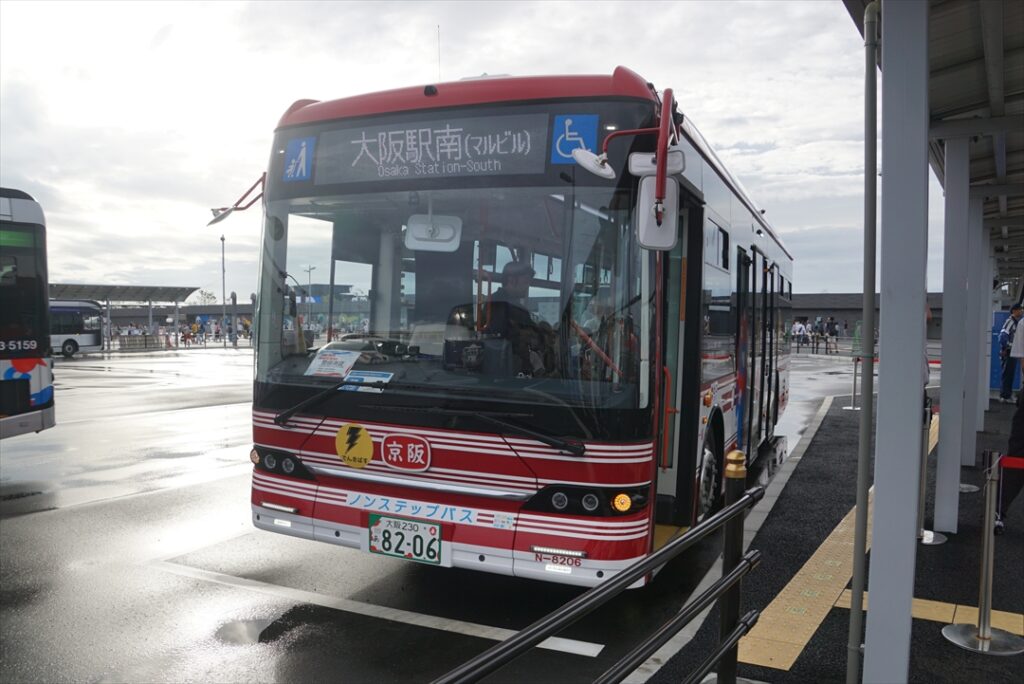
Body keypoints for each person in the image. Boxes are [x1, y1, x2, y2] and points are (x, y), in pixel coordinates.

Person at [997, 312, 1024, 534]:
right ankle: (999, 509)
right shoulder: (1017, 324)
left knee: (1017, 453)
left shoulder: (1022, 324)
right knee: (1017, 454)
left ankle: (998, 511)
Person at [998, 304, 1022, 403]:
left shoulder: (1016, 323)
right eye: (1020, 310)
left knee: (1010, 373)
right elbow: (1003, 336)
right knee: (1007, 373)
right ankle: (1005, 396)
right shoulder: (1010, 322)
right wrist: (1006, 347)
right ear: (1014, 311)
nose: (1021, 311)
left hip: (1012, 352)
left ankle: (1007, 394)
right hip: (1008, 352)